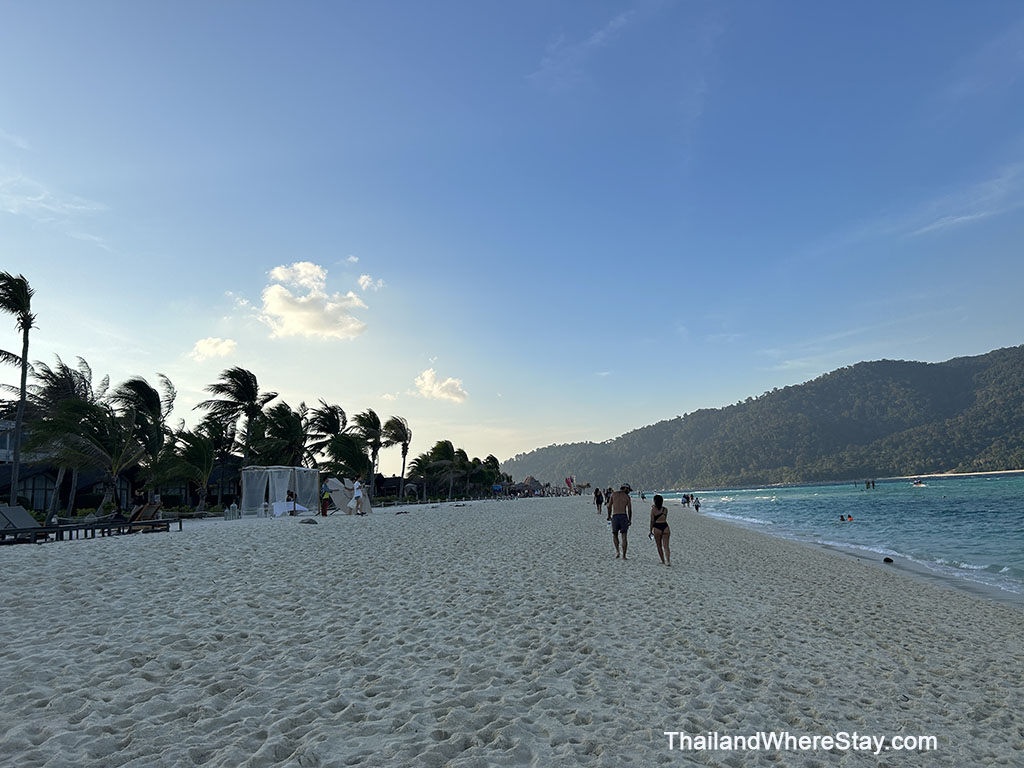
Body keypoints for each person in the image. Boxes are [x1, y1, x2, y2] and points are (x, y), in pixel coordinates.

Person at [609, 485, 633, 559]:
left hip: (615, 516)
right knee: (624, 536)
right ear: (625, 489)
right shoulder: (627, 497)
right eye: (628, 490)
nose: (629, 492)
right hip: (623, 516)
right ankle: (624, 556)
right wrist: (629, 519)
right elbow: (629, 509)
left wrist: (608, 516)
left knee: (615, 535)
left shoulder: (613, 494)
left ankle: (617, 551)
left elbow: (609, 506)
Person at [650, 494, 670, 566]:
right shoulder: (665, 509)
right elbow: (664, 517)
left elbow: (652, 521)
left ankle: (662, 560)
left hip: (657, 527)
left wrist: (650, 530)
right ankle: (668, 561)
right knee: (666, 546)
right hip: (665, 526)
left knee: (659, 546)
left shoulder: (653, 510)